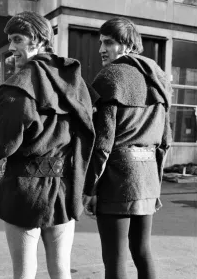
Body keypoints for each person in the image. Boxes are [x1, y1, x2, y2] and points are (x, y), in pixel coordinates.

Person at [0, 11, 98, 279]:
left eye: (18, 39)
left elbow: (2, 146)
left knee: (24, 272)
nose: (12, 48)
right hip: (63, 188)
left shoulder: (18, 86)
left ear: (37, 39)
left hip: (24, 189)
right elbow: (91, 131)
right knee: (61, 269)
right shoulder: (74, 82)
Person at [83, 17, 172, 279]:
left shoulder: (112, 77)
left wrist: (90, 188)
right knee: (142, 251)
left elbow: (103, 143)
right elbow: (165, 140)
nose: (101, 49)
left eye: (108, 43)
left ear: (127, 45)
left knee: (115, 258)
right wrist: (156, 183)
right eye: (101, 42)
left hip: (117, 180)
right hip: (147, 178)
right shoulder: (159, 79)